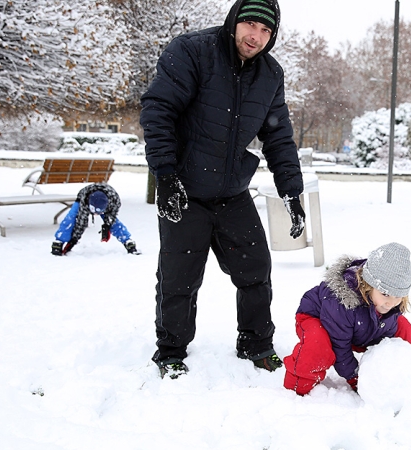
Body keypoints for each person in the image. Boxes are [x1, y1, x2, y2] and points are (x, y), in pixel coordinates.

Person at [140, 0, 305, 380]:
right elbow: (158, 109)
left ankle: (256, 342)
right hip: (186, 189)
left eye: (266, 31)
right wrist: (165, 174)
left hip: (232, 192)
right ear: (234, 21)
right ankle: (171, 349)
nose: (256, 36)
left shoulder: (269, 74)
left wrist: (291, 192)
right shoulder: (193, 51)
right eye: (250, 24)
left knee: (256, 270)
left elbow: (278, 137)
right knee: (179, 276)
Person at [283, 242, 411, 396]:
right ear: (369, 285)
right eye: (385, 294)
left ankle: (398, 372)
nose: (391, 303)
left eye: (398, 296)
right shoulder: (341, 303)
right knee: (317, 345)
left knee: (404, 327)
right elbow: (340, 347)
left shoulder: (388, 305)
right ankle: (296, 389)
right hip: (318, 319)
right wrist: (356, 378)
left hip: (358, 326)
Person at [51, 183, 139, 256]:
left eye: (99, 212)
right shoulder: (85, 202)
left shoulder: (114, 202)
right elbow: (81, 223)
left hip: (108, 199)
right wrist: (73, 241)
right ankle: (59, 240)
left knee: (114, 223)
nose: (96, 214)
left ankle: (127, 240)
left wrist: (107, 225)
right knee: (71, 217)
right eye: (93, 211)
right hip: (83, 196)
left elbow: (112, 217)